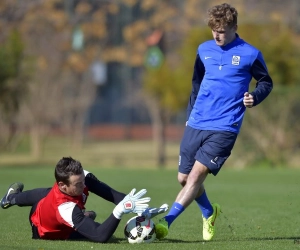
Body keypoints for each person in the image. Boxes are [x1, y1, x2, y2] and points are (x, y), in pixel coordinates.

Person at [155, 3, 273, 241]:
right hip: (197, 120)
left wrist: (254, 96)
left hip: (226, 126)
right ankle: (209, 211)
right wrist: (189, 116)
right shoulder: (203, 50)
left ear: (234, 27)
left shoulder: (250, 53)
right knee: (183, 178)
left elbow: (266, 82)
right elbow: (196, 84)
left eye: (222, 30)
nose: (217, 35)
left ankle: (165, 223)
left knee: (196, 176)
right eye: (214, 30)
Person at [0, 156, 168, 242]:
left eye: (83, 180)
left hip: (48, 206)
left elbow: (111, 194)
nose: (83, 186)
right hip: (46, 231)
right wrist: (120, 211)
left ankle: (11, 198)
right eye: (77, 184)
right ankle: (84, 218)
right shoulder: (65, 208)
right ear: (63, 185)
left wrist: (140, 209)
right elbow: (100, 236)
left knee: (46, 193)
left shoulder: (79, 178)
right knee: (95, 229)